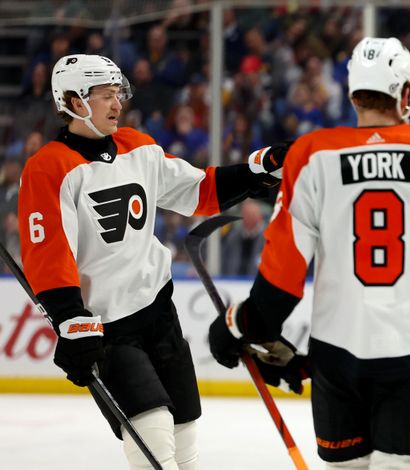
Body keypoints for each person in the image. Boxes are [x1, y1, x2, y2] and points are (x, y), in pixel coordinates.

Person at [207, 37, 410, 469]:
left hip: (338, 351)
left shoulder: (311, 154)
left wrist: (241, 325)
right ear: (407, 94)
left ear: (352, 91)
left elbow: (280, 281)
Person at [17, 54, 286, 470]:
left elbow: (198, 191)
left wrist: (256, 169)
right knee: (153, 446)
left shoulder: (137, 146)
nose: (116, 104)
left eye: (117, 94)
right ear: (72, 101)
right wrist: (70, 320)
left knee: (186, 440)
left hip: (159, 313)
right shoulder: (48, 168)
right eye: (105, 96)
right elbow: (48, 254)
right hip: (108, 328)